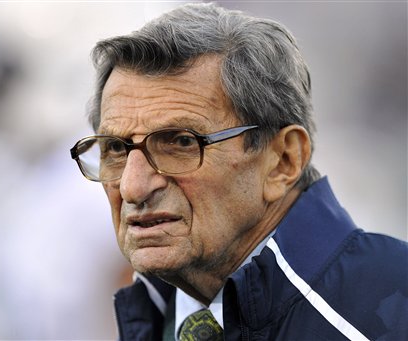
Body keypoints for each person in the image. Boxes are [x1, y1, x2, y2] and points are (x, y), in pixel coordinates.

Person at [70, 3, 408, 340]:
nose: (132, 187)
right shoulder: (159, 313)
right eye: (115, 149)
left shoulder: (390, 313)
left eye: (181, 142)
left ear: (283, 161)